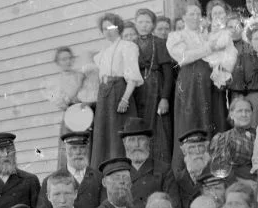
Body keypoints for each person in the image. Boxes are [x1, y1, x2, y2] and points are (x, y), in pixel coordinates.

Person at [90, 13, 143, 170]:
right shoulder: (103, 53)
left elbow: (132, 76)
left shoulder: (128, 47)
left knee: (117, 135)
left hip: (119, 91)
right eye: (104, 28)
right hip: (104, 96)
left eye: (111, 27)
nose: (108, 31)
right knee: (104, 135)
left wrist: (125, 98)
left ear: (118, 27)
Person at [167, 0, 221, 146]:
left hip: (209, 81)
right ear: (183, 17)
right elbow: (184, 57)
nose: (196, 17)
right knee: (191, 120)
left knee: (212, 118)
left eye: (198, 14)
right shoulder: (176, 36)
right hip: (190, 83)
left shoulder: (206, 35)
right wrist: (208, 48)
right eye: (191, 14)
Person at [41, 46, 97, 169]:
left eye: (69, 58)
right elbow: (64, 103)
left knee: (86, 148)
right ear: (57, 62)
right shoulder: (55, 82)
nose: (67, 61)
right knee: (69, 150)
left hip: (85, 116)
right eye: (63, 59)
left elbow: (90, 94)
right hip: (70, 118)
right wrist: (78, 84)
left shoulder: (80, 74)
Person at [132, 9, 175, 165]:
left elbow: (168, 73)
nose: (144, 26)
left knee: (159, 129)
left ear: (153, 25)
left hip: (156, 89)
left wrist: (164, 98)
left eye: (148, 22)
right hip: (137, 92)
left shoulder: (159, 43)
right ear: (136, 24)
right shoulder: (131, 45)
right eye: (141, 22)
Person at [120, 117, 181, 208]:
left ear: (148, 141)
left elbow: (174, 206)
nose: (136, 144)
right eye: (131, 140)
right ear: (124, 143)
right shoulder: (118, 171)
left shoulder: (163, 170)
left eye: (141, 139)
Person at [204, 0, 237, 133]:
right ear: (210, 16)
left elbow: (229, 50)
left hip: (223, 73)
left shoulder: (227, 32)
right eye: (214, 13)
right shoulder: (206, 34)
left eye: (221, 13)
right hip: (208, 74)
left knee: (221, 108)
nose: (217, 15)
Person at [209, 98, 255, 185]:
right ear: (231, 114)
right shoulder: (224, 138)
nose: (244, 114)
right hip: (235, 185)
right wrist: (244, 182)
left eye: (247, 111)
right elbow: (220, 170)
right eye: (239, 111)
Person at [174, 128, 211, 208]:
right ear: (184, 151)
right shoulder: (177, 179)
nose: (197, 151)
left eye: (200, 146)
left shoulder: (215, 175)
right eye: (192, 147)